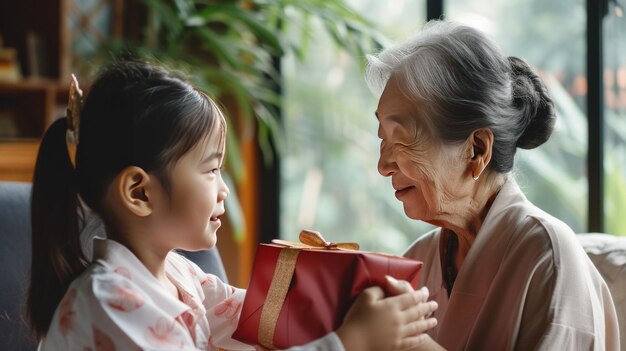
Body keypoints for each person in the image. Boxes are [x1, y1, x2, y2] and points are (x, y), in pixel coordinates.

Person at [27, 60, 438, 350]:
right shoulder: (112, 303)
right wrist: (351, 342)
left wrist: (339, 292)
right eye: (210, 171)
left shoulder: (176, 274)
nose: (224, 190)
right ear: (140, 193)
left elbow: (258, 315)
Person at [366, 20, 620, 350]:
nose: (383, 166)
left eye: (401, 141)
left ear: (477, 150)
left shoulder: (548, 258)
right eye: (382, 140)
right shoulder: (421, 259)